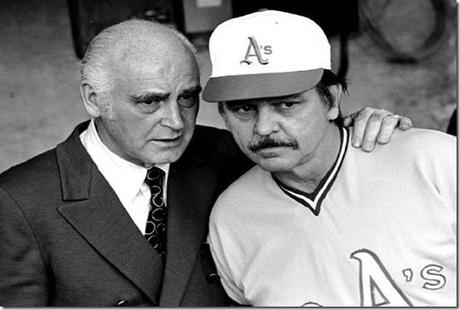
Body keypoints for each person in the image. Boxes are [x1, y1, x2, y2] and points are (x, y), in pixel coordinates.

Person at [0, 19, 412, 307]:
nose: (176, 122)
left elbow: (313, 157)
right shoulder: (20, 202)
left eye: (187, 97)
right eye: (150, 101)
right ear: (94, 99)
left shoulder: (231, 153)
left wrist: (357, 128)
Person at [205, 10, 456, 307]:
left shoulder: (435, 160)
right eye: (243, 109)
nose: (264, 127)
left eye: (286, 104)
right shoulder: (230, 218)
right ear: (223, 114)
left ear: (332, 101)